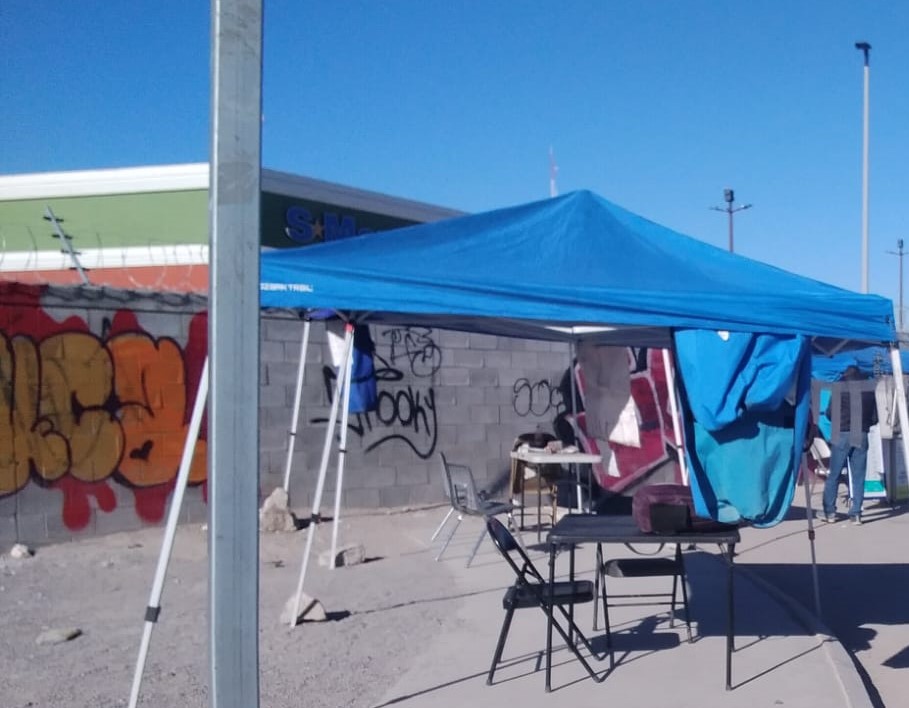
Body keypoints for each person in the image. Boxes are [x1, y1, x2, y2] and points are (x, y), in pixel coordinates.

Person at [820, 365, 877, 525]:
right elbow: (874, 417)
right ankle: (856, 514)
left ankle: (830, 513)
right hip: (861, 433)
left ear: (845, 375)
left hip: (842, 433)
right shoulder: (868, 388)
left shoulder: (839, 387)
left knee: (834, 474)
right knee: (859, 476)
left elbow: (830, 413)